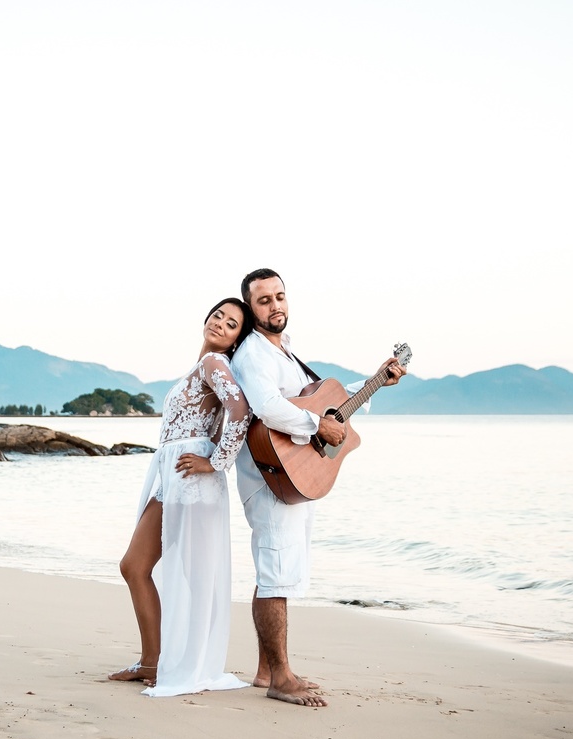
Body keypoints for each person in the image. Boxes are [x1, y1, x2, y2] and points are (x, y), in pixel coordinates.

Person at [231, 269, 405, 707]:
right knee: (275, 573)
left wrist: (375, 381)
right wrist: (315, 424)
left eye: (280, 297)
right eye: (264, 300)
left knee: (278, 572)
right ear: (251, 310)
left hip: (293, 477)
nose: (275, 306)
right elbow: (268, 408)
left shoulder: (285, 352)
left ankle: (267, 668)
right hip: (270, 477)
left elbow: (329, 407)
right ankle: (281, 679)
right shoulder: (254, 353)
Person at [108, 297, 255, 696]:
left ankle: (180, 664)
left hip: (192, 480)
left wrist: (217, 462)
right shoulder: (202, 365)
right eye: (218, 316)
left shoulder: (215, 364)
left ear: (236, 339)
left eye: (232, 325)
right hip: (171, 476)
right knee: (136, 566)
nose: (221, 325)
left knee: (190, 576)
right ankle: (152, 662)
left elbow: (239, 411)